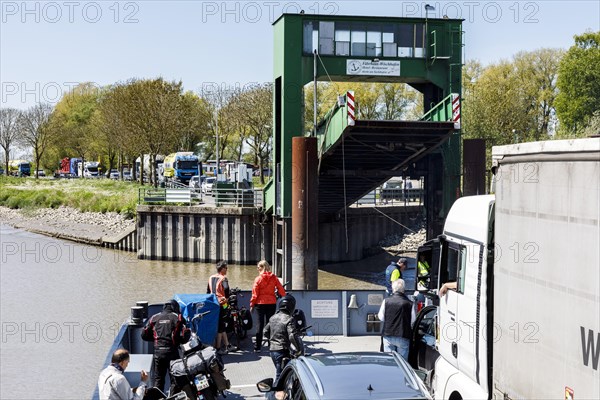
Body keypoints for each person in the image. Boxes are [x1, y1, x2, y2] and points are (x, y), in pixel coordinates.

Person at [141, 299, 187, 393]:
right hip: (172, 353)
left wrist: (155, 339)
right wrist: (179, 341)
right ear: (175, 307)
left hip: (158, 353)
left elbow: (144, 335)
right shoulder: (177, 317)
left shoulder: (154, 317)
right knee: (175, 378)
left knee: (159, 379)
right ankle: (174, 397)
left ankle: (158, 397)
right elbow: (184, 334)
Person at [263, 294, 302, 384]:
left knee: (281, 373)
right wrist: (298, 349)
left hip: (272, 350)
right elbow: (292, 335)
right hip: (282, 351)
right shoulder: (289, 319)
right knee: (280, 376)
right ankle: (276, 395)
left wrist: (272, 339)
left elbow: (265, 331)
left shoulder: (273, 317)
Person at [250, 260, 286, 352]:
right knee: (271, 324)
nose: (257, 268)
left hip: (260, 304)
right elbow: (280, 288)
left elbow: (255, 294)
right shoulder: (273, 277)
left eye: (258, 267)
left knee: (260, 324)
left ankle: (258, 347)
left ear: (262, 267)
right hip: (271, 303)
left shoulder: (258, 279)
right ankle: (272, 345)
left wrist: (252, 304)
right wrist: (284, 296)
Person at [377, 279, 413, 360]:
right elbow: (412, 321)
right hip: (403, 335)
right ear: (403, 289)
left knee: (390, 361)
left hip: (388, 334)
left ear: (393, 289)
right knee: (403, 363)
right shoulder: (410, 303)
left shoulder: (386, 301)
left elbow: (381, 317)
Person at [207, 260, 234, 354]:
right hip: (222, 304)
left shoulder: (211, 277)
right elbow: (226, 289)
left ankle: (227, 345)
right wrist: (227, 298)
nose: (227, 270)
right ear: (222, 269)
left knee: (220, 324)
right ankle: (218, 348)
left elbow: (207, 291)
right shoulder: (223, 278)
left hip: (212, 303)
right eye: (226, 268)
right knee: (221, 325)